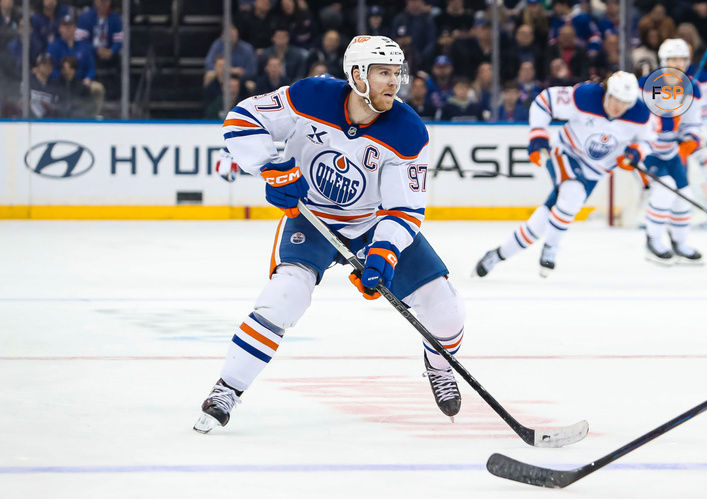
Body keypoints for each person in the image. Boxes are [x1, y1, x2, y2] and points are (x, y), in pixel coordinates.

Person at [194, 35, 466, 434]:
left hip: (372, 222)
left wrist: (384, 253)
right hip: (312, 218)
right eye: (383, 73)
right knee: (283, 297)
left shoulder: (408, 131)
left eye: (397, 73)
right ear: (357, 76)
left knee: (446, 311)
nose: (394, 82)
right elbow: (242, 119)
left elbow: (404, 208)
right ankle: (227, 389)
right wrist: (271, 167)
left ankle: (439, 366)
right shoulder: (313, 96)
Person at [474, 71, 656, 277]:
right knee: (573, 193)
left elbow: (648, 141)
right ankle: (551, 250)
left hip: (595, 171)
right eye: (615, 99)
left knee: (542, 221)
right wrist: (538, 137)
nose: (619, 106)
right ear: (607, 91)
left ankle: (497, 255)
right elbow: (544, 101)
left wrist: (635, 153)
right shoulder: (585, 96)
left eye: (625, 102)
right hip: (565, 152)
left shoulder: (640, 113)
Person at [637, 38, 705, 264]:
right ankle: (652, 241)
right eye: (673, 59)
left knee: (685, 196)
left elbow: (693, 125)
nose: (678, 64)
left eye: (682, 59)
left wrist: (689, 143)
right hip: (647, 151)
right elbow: (639, 121)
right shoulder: (646, 85)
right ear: (663, 61)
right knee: (665, 191)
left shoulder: (692, 89)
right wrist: (665, 121)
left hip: (672, 152)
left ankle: (680, 242)